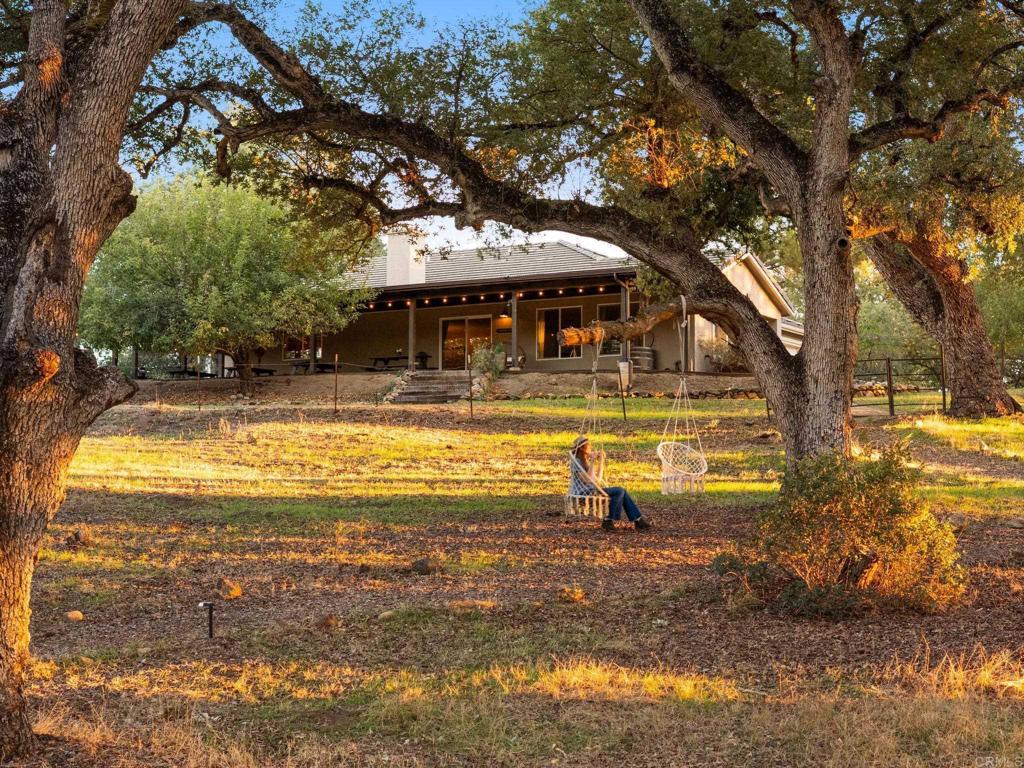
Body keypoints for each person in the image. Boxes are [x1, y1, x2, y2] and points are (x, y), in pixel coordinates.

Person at [570, 435, 652, 532]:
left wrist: (601, 461)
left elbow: (598, 479)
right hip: (583, 493)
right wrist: (592, 461)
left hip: (593, 490)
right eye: (588, 445)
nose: (591, 447)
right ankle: (615, 520)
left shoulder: (585, 461)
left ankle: (634, 520)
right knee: (620, 491)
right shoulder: (576, 462)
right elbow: (587, 480)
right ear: (582, 448)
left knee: (621, 492)